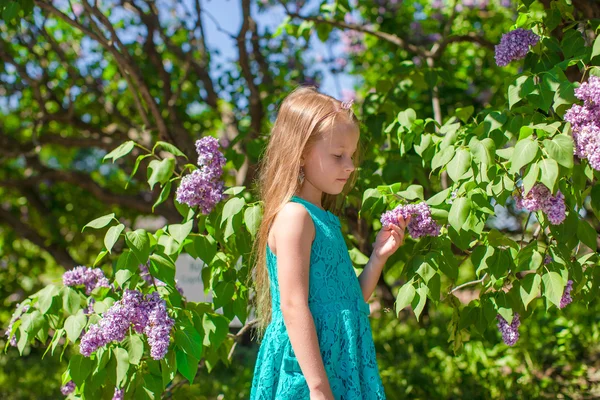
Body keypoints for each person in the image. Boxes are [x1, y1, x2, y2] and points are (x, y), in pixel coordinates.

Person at [249, 86, 409, 399]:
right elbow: (294, 307)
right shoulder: (296, 216)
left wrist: (377, 257)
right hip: (309, 376)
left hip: (339, 364)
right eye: (338, 156)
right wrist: (319, 389)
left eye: (351, 156)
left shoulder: (324, 219)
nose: (349, 166)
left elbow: (346, 303)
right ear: (302, 152)